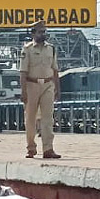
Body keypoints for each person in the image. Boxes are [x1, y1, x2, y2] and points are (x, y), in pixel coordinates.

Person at [20, 22, 60, 159]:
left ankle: (48, 149)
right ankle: (31, 148)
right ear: (33, 33)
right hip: (32, 85)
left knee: (48, 118)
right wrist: (23, 91)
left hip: (48, 85)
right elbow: (23, 72)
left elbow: (55, 70)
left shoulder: (51, 49)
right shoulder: (27, 50)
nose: (43, 34)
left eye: (44, 31)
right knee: (30, 118)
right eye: (40, 32)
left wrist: (58, 89)